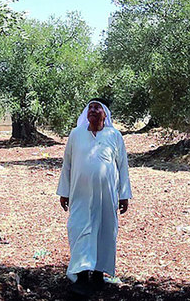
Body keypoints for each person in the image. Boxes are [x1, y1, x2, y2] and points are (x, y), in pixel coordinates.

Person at [56, 98, 132, 297]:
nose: (93, 110)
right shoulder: (76, 134)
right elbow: (68, 165)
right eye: (90, 107)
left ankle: (98, 274)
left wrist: (124, 195)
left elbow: (122, 166)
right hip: (79, 195)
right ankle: (81, 277)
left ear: (105, 114)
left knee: (104, 232)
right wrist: (64, 192)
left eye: (97, 107)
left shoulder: (114, 135)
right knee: (79, 230)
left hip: (107, 196)